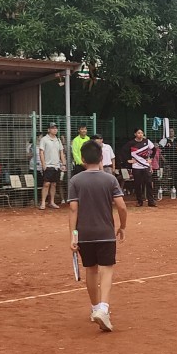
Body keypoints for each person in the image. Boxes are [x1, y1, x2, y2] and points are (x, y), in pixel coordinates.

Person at [68, 140, 127, 332]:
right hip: (105, 233)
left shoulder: (75, 181)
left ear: (82, 159)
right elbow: (121, 207)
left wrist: (73, 236)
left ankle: (95, 308)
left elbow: (73, 210)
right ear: (101, 158)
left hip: (84, 235)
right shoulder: (110, 180)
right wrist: (122, 226)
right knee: (106, 270)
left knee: (91, 270)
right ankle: (103, 308)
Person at [122, 127, 158, 207]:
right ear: (135, 134)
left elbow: (154, 150)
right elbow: (123, 151)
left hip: (146, 166)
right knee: (138, 184)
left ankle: (151, 201)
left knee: (149, 183)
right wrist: (128, 160)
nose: (140, 134)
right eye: (138, 133)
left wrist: (151, 159)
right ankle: (139, 201)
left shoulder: (147, 141)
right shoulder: (131, 143)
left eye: (141, 133)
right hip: (136, 167)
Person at [39, 124, 66, 209]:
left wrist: (63, 164)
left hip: (56, 166)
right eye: (53, 128)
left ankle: (52, 202)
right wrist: (43, 164)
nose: (55, 130)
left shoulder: (58, 140)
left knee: (54, 184)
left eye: (56, 128)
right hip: (48, 165)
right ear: (48, 130)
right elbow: (41, 152)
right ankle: (43, 203)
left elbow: (61, 152)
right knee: (46, 184)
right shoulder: (44, 139)